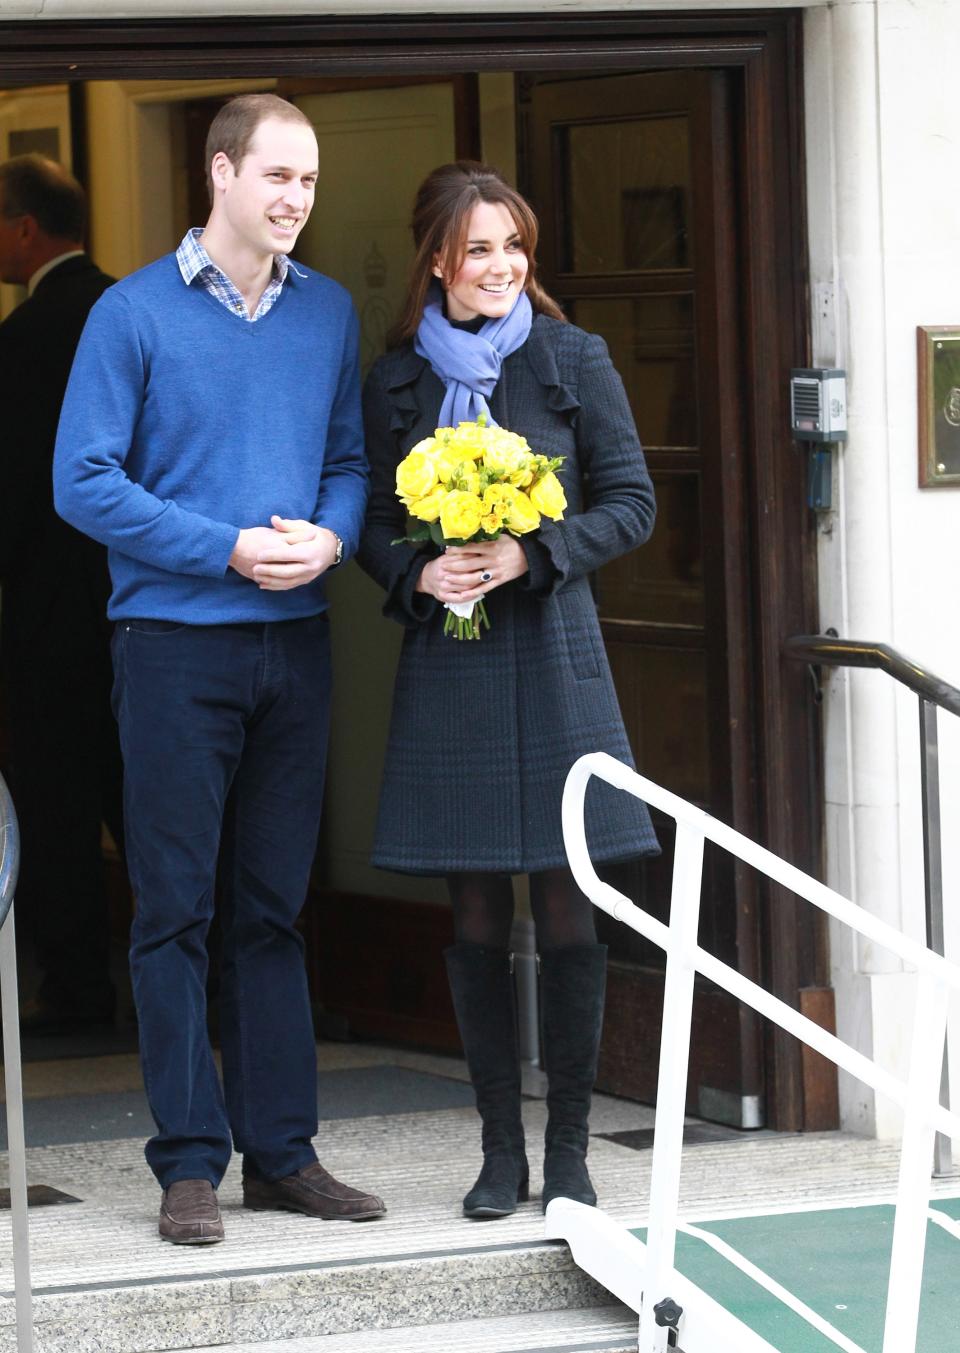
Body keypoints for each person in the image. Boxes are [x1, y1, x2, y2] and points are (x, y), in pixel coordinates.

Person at [53, 93, 384, 1245]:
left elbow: (348, 460)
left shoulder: (328, 312)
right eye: (278, 176)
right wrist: (228, 547)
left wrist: (334, 538)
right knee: (174, 911)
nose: (296, 199)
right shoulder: (130, 315)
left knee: (272, 912)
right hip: (171, 650)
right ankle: (188, 1162)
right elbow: (81, 482)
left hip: (294, 648)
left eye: (310, 181)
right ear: (222, 173)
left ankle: (280, 1155)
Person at [358, 161, 659, 1219]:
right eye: (478, 249)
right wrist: (415, 569)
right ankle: (499, 1154)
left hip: (556, 658)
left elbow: (634, 501)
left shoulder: (574, 355)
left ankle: (570, 1153)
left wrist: (537, 553)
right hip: (453, 666)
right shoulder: (394, 380)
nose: (500, 267)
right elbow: (369, 524)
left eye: (513, 247)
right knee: (476, 913)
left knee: (570, 909)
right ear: (437, 259)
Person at [0, 154, 123, 1035]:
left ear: (23, 229)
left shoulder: (24, 335)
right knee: (150, 802)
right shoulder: (136, 308)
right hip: (146, 599)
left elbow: (11, 488)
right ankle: (197, 987)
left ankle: (78, 986)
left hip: (47, 612)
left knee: (57, 807)